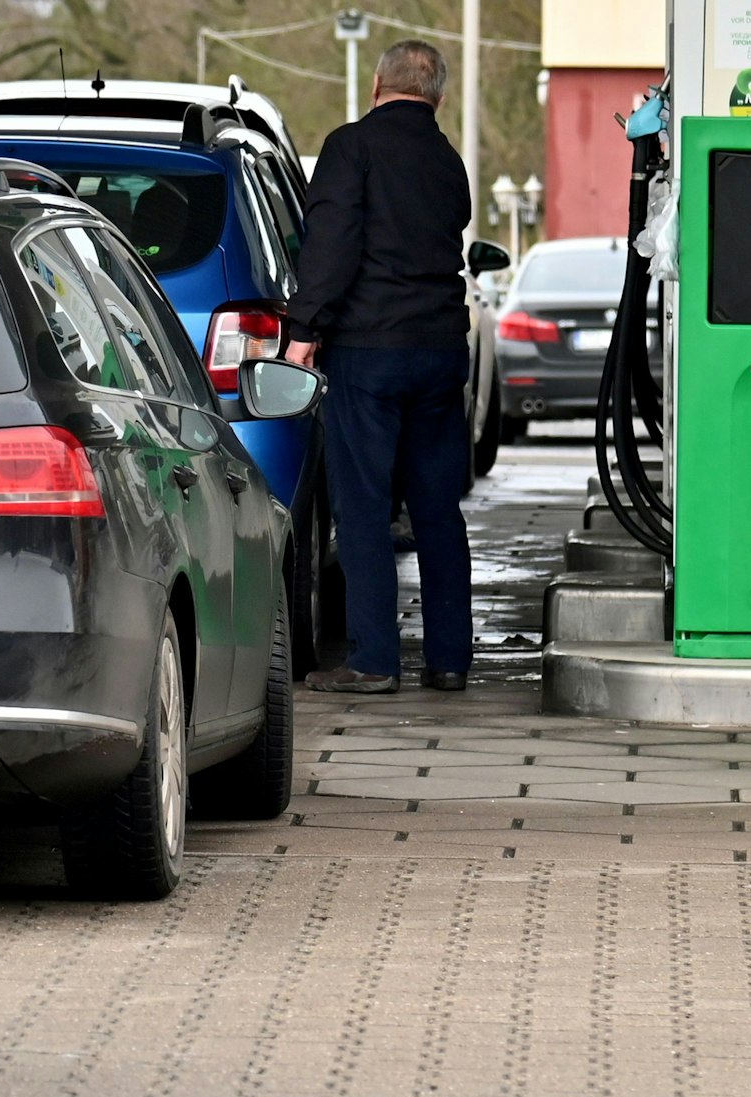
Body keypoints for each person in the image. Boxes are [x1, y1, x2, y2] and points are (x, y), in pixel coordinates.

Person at [284, 39, 474, 695]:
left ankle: (374, 659)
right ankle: (450, 658)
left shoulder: (351, 148)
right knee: (436, 508)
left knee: (363, 507)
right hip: (441, 350)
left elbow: (332, 243)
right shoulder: (449, 162)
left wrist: (303, 330)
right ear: (438, 95)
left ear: (375, 83)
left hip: (368, 351)